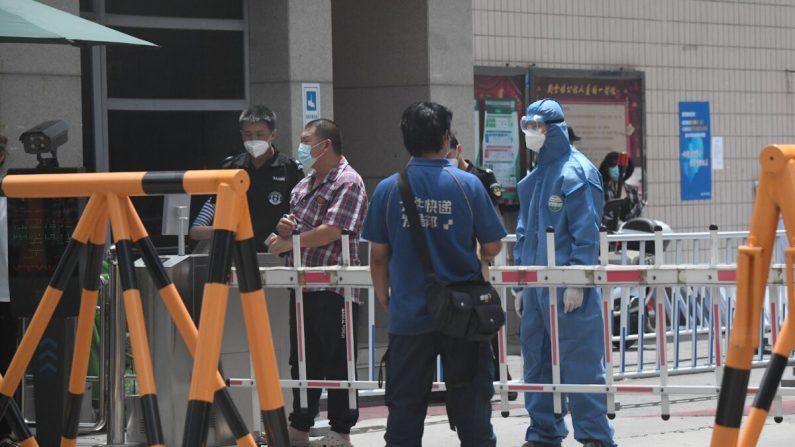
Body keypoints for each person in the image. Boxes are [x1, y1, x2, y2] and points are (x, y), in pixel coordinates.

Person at [362, 102, 506, 447]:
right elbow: (493, 246)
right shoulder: (468, 185)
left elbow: (378, 259)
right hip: (465, 316)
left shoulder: (387, 189)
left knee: (404, 413)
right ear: (446, 138)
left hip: (409, 315)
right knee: (473, 409)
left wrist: (388, 301)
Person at [514, 98, 616, 447]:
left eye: (538, 127)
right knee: (536, 364)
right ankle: (543, 434)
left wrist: (578, 279)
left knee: (581, 364)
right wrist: (519, 285)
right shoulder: (535, 178)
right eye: (527, 126)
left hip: (570, 288)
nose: (532, 133)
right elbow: (525, 231)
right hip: (536, 285)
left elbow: (586, 232)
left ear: (554, 129)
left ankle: (594, 438)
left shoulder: (578, 173)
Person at [268, 118, 368, 447]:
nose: (301, 147)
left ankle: (340, 432)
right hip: (303, 287)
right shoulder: (305, 183)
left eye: (306, 140)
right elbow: (297, 226)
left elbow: (333, 230)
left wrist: (291, 241)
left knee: (339, 359)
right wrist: (284, 230)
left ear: (325, 145)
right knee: (303, 359)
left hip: (336, 287)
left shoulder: (348, 181)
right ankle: (299, 427)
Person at [445, 132, 516, 401]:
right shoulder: (442, 179)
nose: (448, 159)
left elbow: (494, 218)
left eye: (450, 154)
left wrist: (493, 255)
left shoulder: (481, 177)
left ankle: (501, 377)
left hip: (484, 256)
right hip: (462, 259)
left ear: (459, 149)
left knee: (487, 316)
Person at [190, 105, 304, 251]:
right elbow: (203, 220)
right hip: (236, 254)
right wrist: (224, 231)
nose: (253, 139)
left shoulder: (290, 170)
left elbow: (302, 216)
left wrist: (289, 228)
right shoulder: (230, 167)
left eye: (259, 134)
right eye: (248, 135)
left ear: (273, 134)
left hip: (276, 254)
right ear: (241, 135)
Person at [598, 151, 643, 233]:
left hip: (630, 236)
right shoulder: (601, 190)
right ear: (607, 169)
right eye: (613, 166)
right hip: (608, 236)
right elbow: (600, 214)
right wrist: (616, 224)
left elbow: (637, 213)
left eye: (620, 166)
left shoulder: (633, 192)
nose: (617, 169)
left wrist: (627, 226)